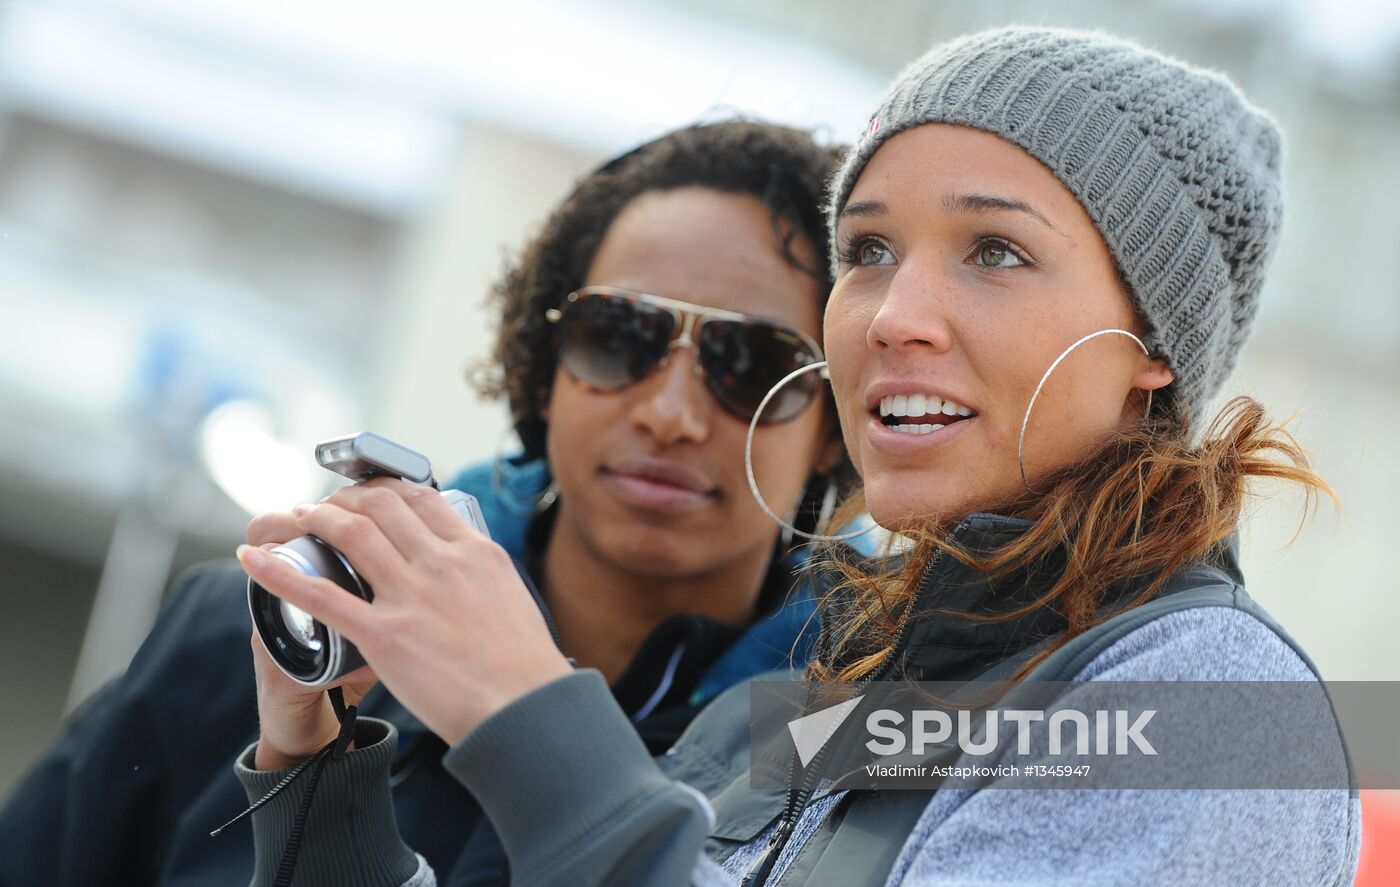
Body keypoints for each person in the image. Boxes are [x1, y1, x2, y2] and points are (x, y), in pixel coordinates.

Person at [233, 27, 1360, 887]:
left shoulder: (1224, 708)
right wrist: (315, 761)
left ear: (1151, 347)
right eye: (866, 248)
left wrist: (524, 708)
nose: (888, 314)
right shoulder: (829, 704)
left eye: (995, 250)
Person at [0, 120, 849, 886]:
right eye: (618, 335)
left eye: (752, 362)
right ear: (543, 373)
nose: (668, 413)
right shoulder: (259, 636)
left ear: (837, 427)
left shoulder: (854, 745)